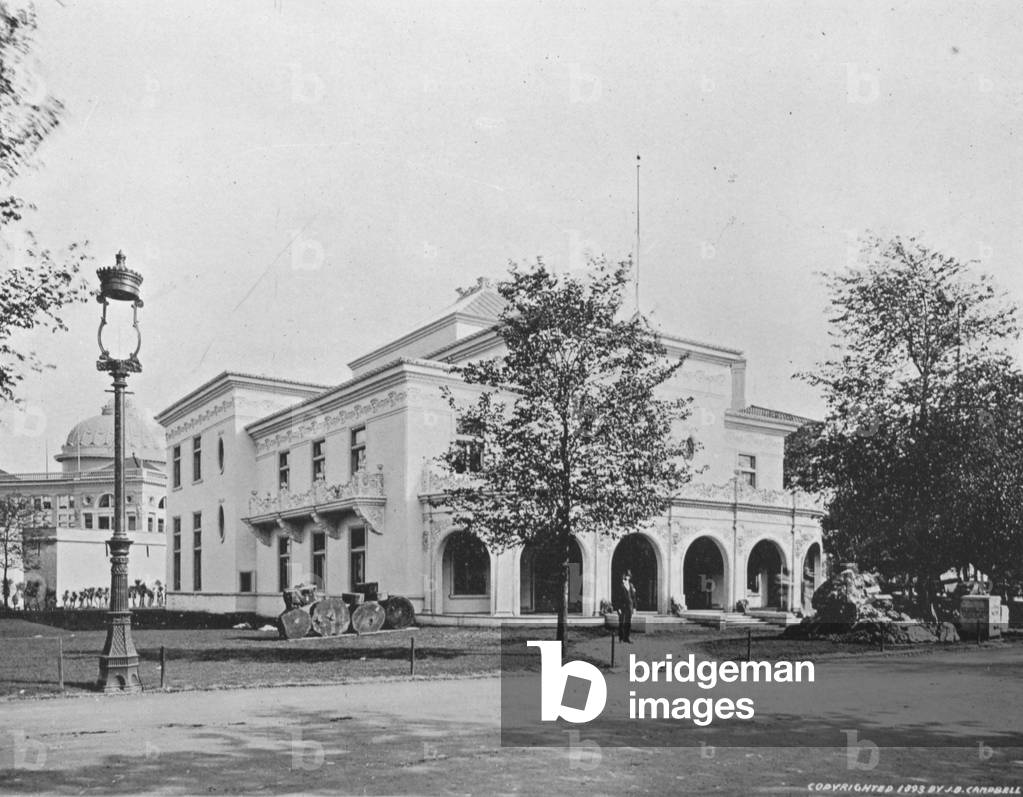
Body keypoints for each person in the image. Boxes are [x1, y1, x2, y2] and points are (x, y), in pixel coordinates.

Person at [614, 569, 637, 643]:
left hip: (629, 607)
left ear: (630, 577)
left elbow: (633, 597)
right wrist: (618, 608)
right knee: (621, 622)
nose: (627, 578)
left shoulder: (631, 586)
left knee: (628, 622)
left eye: (628, 576)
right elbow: (617, 598)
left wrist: (634, 607)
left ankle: (627, 638)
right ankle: (621, 638)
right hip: (622, 607)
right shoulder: (620, 586)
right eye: (625, 576)